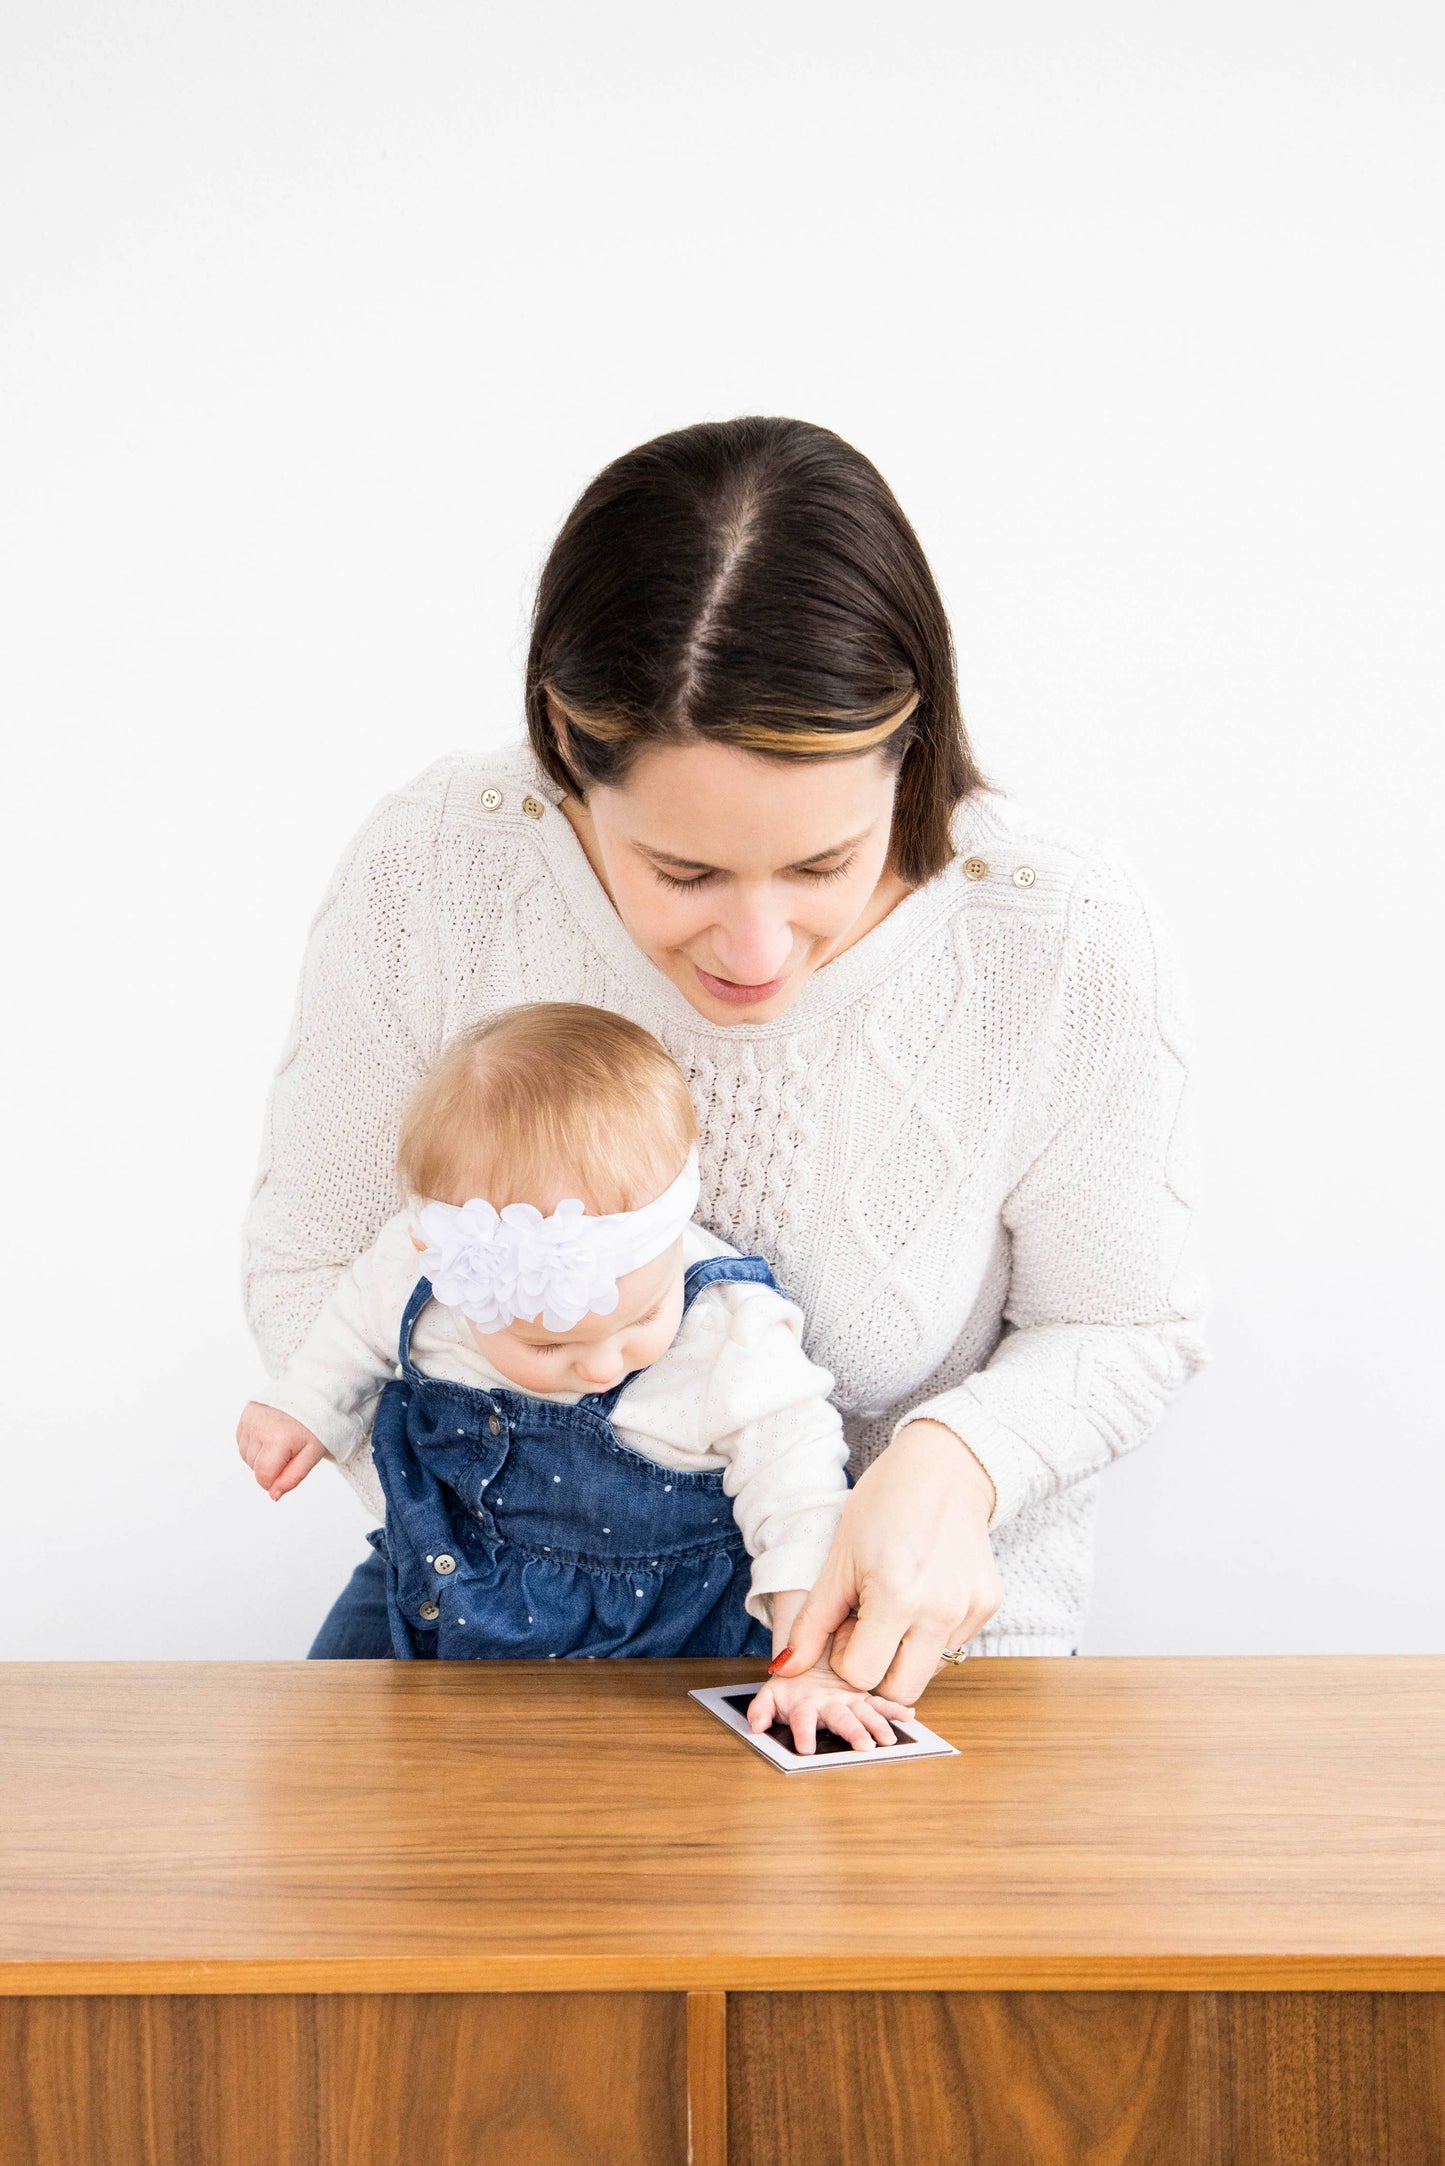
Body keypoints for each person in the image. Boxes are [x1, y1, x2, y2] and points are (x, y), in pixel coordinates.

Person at [242, 415, 1208, 1700]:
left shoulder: (1053, 931)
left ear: (907, 750)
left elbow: (1125, 1320)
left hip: (904, 1669)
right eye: (680, 871)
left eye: (821, 865)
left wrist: (960, 1459)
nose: (754, 949)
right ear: (566, 751)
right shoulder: (442, 870)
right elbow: (320, 1264)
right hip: (493, 1643)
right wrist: (537, 1532)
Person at [238, 1005, 910, 1753]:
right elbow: (353, 1329)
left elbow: (800, 1494)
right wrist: (304, 1406)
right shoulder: (421, 1260)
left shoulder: (731, 1331)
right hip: (432, 1584)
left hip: (659, 1633)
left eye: (642, 1317)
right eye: (548, 1345)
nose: (599, 1364)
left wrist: (808, 1661)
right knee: (320, 1743)